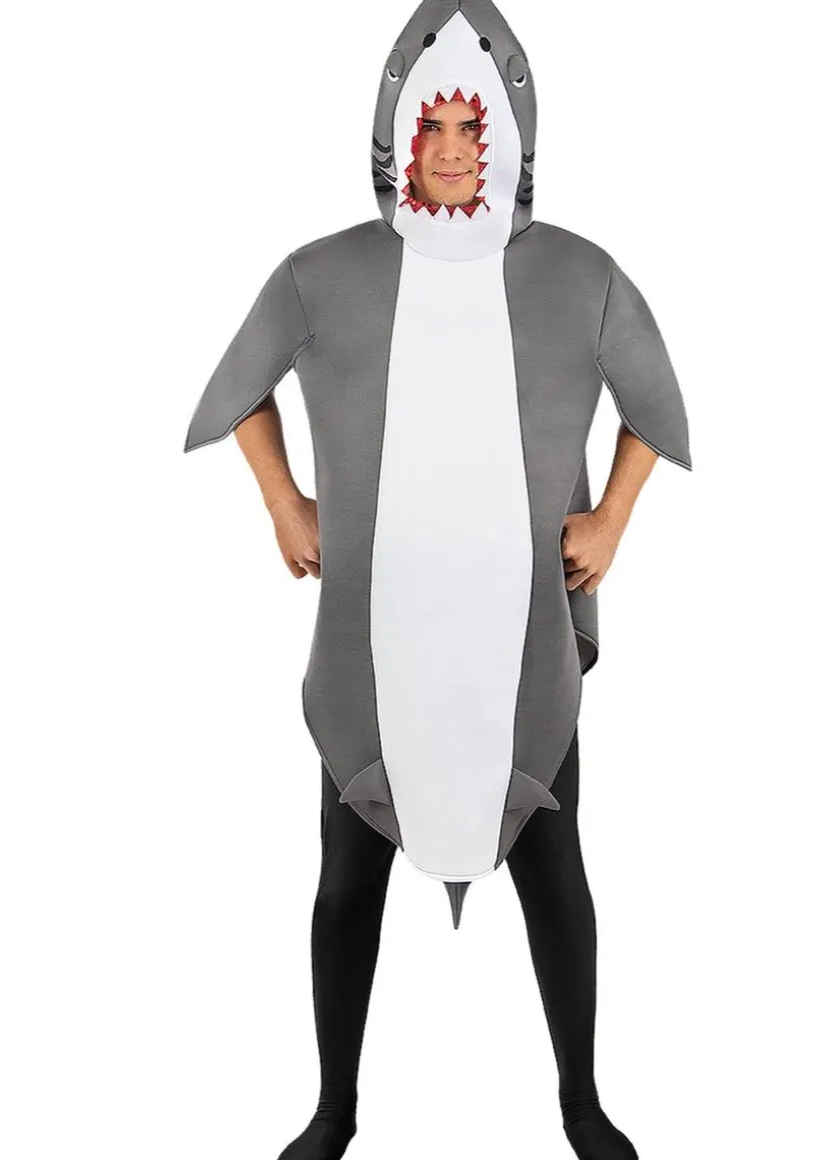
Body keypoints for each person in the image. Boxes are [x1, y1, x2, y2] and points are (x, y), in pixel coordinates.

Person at [184, 2, 690, 1157]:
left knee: (554, 875)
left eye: (474, 126)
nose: (454, 149)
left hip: (522, 641)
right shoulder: (321, 275)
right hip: (374, 639)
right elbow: (240, 389)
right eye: (434, 127)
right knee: (342, 883)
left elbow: (652, 406)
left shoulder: (578, 274)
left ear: (509, 134)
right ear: (395, 135)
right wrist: (282, 499)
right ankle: (334, 1109)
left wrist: (612, 517)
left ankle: (580, 1102)